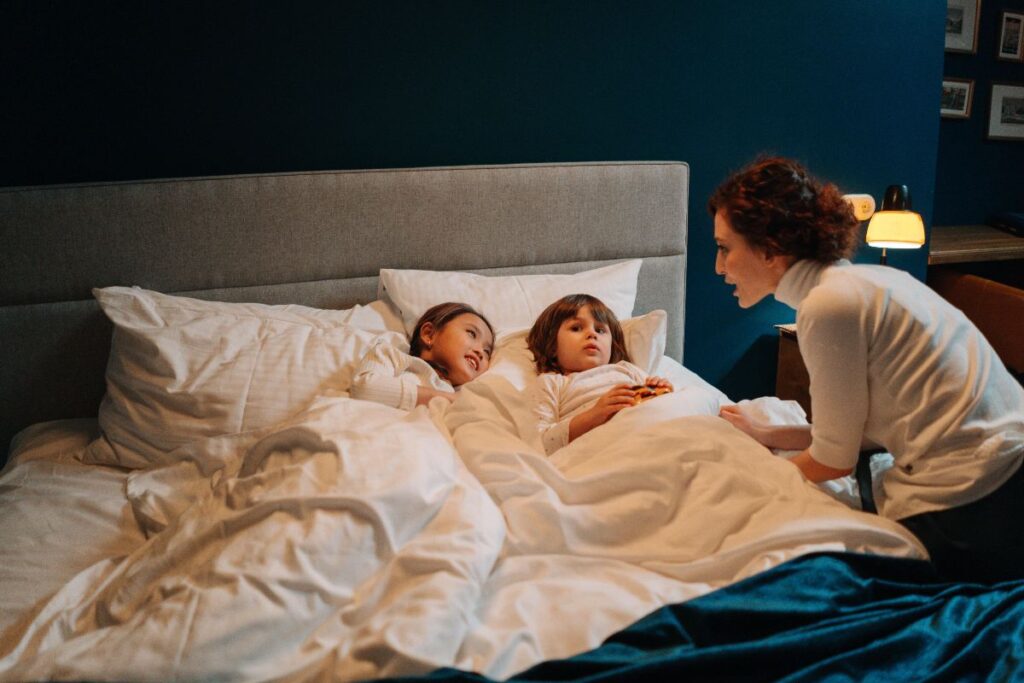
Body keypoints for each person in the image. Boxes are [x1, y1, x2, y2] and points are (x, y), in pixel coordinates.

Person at [708, 154, 1024, 583]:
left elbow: (834, 459)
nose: (719, 266)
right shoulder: (870, 283)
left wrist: (757, 480)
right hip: (1007, 472)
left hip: (980, 497)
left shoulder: (828, 306)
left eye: (725, 248)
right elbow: (862, 432)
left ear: (772, 247)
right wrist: (771, 434)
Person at [526, 293, 673, 455]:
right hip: (601, 447)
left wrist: (662, 390)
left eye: (600, 330)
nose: (592, 334)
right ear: (552, 346)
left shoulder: (627, 369)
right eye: (576, 328)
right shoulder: (551, 382)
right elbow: (541, 443)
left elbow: (660, 407)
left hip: (647, 433)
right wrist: (595, 415)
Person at [350, 302, 494, 410]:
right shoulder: (392, 355)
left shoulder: (466, 394)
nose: (480, 352)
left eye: (487, 351)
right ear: (429, 334)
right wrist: (449, 399)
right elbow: (363, 388)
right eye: (471, 333)